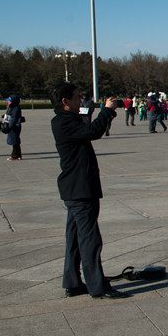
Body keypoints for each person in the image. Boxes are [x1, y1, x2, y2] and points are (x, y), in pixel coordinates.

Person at [50, 82, 129, 299]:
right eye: (76, 98)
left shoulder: (64, 119)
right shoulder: (65, 122)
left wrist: (101, 112)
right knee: (90, 239)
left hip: (74, 188)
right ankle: (97, 286)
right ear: (65, 102)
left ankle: (73, 282)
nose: (80, 100)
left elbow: (88, 127)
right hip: (80, 189)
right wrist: (107, 110)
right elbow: (92, 131)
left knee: (74, 238)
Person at [4, 94, 25, 161]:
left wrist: (9, 127)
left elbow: (14, 118)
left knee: (14, 141)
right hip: (14, 126)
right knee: (15, 141)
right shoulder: (12, 107)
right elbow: (10, 115)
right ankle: (18, 155)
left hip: (14, 126)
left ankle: (14, 156)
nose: (8, 102)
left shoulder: (15, 108)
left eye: (9, 101)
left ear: (13, 101)